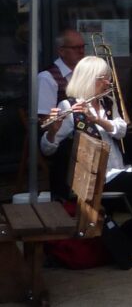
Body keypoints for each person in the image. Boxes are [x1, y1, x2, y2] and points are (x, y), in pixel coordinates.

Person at [41, 56, 132, 266]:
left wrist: (97, 119)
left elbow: (121, 130)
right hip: (95, 177)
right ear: (90, 79)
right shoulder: (69, 107)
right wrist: (53, 130)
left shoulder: (106, 102)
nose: (109, 82)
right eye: (105, 78)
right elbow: (47, 149)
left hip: (117, 169)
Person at [38, 29, 87, 199]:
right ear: (61, 51)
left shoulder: (84, 74)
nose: (81, 51)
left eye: (83, 47)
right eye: (76, 48)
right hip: (62, 140)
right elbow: (44, 121)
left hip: (87, 134)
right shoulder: (47, 77)